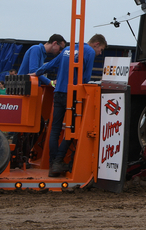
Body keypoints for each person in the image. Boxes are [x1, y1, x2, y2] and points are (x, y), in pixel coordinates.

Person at [35, 34, 107, 177]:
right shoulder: (89, 52)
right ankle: (59, 160)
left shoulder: (68, 49)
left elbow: (50, 65)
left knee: (55, 129)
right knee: (72, 128)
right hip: (73, 94)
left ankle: (52, 163)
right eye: (102, 49)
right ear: (96, 44)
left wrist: (37, 72)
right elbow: (85, 77)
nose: (100, 53)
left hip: (58, 92)